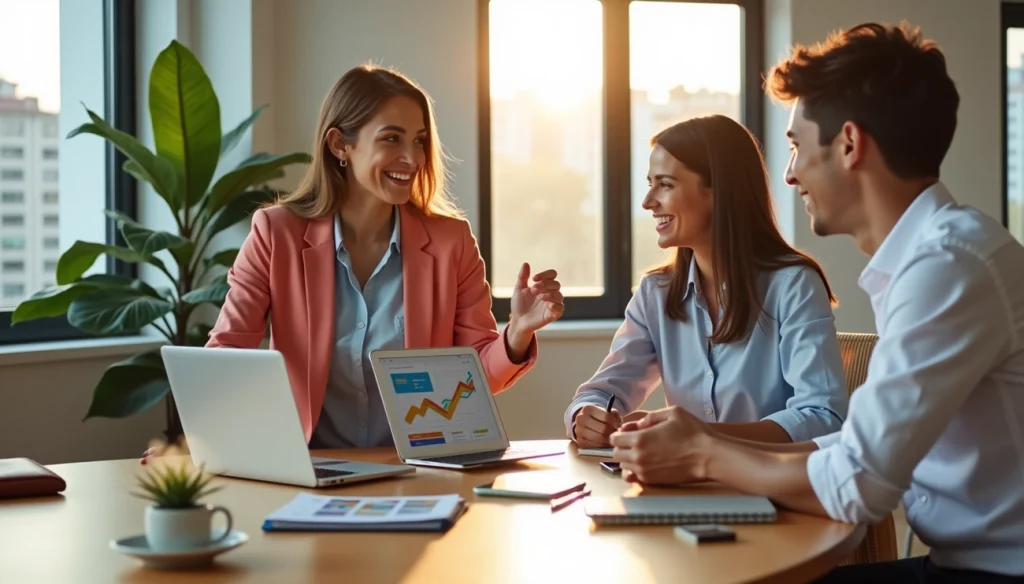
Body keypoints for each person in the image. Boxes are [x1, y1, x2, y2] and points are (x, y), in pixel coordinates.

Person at [609, 22, 1024, 582]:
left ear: (850, 145)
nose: (789, 172)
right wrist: (699, 442)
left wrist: (701, 454)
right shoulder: (931, 258)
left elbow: (856, 486)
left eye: (798, 145)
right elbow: (853, 448)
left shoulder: (946, 267)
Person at [150, 64, 565, 455]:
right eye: (391, 138)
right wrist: (191, 447)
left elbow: (472, 375)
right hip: (308, 466)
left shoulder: (450, 242)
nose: (414, 158)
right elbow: (228, 353)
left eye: (419, 140)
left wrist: (517, 334)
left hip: (418, 468)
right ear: (339, 145)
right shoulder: (275, 234)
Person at [567, 115, 847, 449]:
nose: (648, 201)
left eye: (666, 184)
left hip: (773, 489)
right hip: (683, 489)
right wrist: (588, 414)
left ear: (718, 190)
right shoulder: (655, 294)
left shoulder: (793, 285)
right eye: (650, 183)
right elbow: (603, 391)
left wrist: (702, 436)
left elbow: (823, 416)